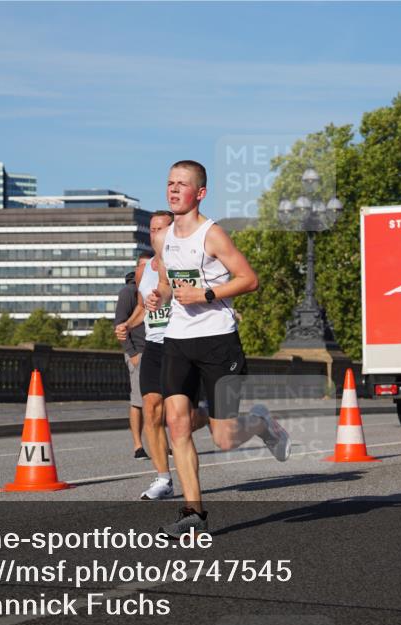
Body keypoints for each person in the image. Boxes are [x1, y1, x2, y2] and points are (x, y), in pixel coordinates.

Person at [145, 160, 290, 536]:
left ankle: (261, 423)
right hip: (178, 339)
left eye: (182, 184)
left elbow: (249, 279)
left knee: (223, 439)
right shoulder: (163, 237)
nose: (173, 190)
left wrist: (205, 293)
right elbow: (165, 280)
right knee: (176, 422)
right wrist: (157, 297)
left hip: (218, 341)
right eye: (170, 183)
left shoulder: (213, 235)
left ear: (200, 193)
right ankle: (193, 514)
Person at [116, 211, 212, 500]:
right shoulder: (147, 268)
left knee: (183, 419)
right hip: (154, 345)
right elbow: (145, 306)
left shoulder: (185, 261)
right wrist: (128, 325)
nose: (156, 233)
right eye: (153, 229)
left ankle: (209, 416)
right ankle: (163, 478)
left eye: (162, 227)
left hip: (182, 343)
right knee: (151, 409)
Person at [114, 259, 148, 459]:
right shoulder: (129, 292)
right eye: (142, 266)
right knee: (138, 401)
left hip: (159, 350)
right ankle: (138, 445)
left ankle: (164, 443)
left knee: (160, 402)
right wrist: (132, 353)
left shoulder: (158, 287)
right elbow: (119, 324)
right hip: (139, 352)